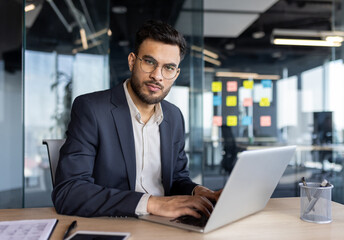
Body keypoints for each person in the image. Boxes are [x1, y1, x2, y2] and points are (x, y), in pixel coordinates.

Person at [52, 20, 221, 219]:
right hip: (116, 223)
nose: (158, 76)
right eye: (150, 62)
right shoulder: (92, 109)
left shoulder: (174, 116)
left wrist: (198, 192)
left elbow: (176, 179)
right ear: (133, 61)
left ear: (176, 74)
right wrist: (151, 203)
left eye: (168, 68)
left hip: (166, 224)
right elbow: (69, 192)